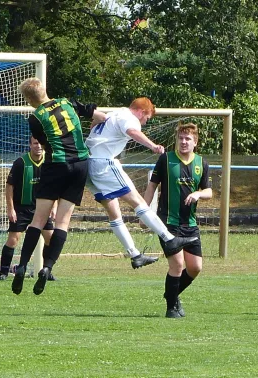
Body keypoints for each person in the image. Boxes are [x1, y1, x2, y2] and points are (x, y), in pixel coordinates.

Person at [85, 97, 198, 270]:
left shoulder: (115, 113)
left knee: (113, 211)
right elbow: (132, 131)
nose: (145, 122)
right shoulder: (130, 118)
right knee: (137, 201)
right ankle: (170, 239)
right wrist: (152, 146)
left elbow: (94, 126)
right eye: (147, 118)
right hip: (103, 163)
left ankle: (135, 254)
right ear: (141, 111)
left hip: (87, 163)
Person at [12, 77, 100, 296]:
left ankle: (22, 265)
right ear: (45, 89)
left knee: (38, 220)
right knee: (63, 221)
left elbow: (43, 143)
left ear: (29, 99)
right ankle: (48, 267)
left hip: (56, 165)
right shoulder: (68, 103)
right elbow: (99, 116)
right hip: (81, 163)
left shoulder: (35, 118)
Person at [143, 122, 212, 318]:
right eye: (180, 138)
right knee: (177, 264)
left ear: (195, 142)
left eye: (188, 138)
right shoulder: (166, 159)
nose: (183, 142)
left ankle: (171, 295)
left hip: (190, 224)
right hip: (168, 223)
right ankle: (171, 308)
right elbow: (151, 186)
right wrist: (144, 213)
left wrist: (198, 194)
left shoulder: (201, 163)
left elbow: (209, 191)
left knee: (195, 267)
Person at [0, 136, 56, 282]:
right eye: (36, 143)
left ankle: (46, 271)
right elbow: (9, 186)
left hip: (42, 208)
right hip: (22, 209)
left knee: (51, 238)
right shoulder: (20, 163)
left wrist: (54, 205)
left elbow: (54, 186)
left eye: (41, 143)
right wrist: (10, 209)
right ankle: (3, 272)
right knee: (13, 240)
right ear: (30, 145)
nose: (39, 146)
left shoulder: (50, 162)